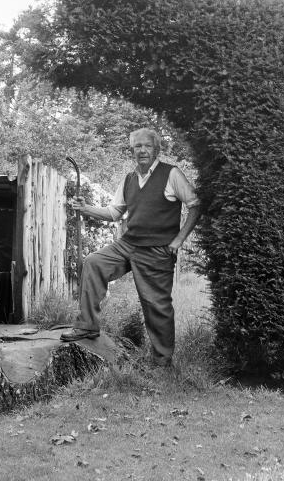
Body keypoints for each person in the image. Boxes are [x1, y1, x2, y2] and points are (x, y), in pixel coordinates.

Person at [60, 128, 201, 367]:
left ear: (156, 149)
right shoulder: (129, 178)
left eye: (147, 146)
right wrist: (86, 209)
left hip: (157, 249)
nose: (142, 150)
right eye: (138, 146)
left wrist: (177, 242)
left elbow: (195, 206)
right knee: (94, 263)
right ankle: (87, 326)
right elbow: (115, 212)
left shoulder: (171, 174)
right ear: (132, 150)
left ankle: (162, 362)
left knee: (157, 305)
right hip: (128, 244)